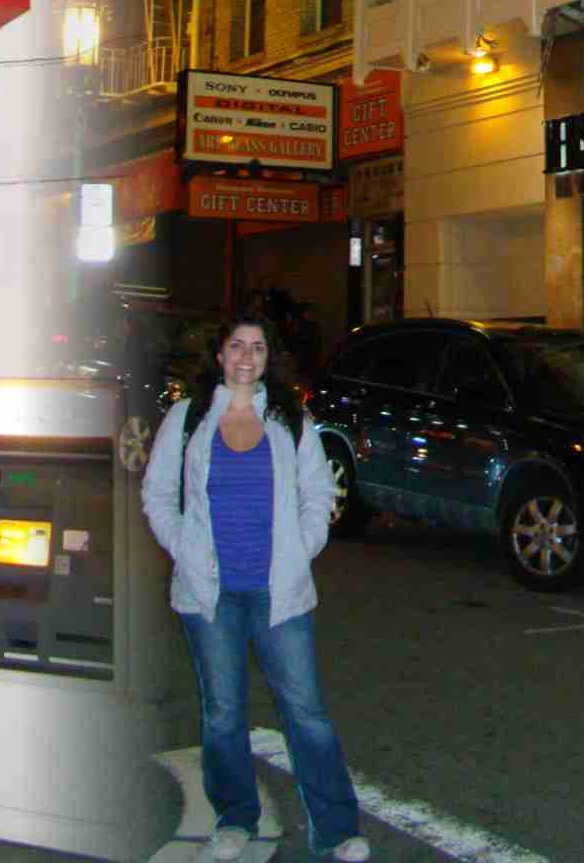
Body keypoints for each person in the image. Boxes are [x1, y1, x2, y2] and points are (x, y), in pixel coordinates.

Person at [140, 305, 368, 862]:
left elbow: (319, 492)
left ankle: (337, 830)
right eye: (237, 346)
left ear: (270, 359)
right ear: (220, 354)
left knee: (307, 713)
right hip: (210, 593)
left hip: (278, 592)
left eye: (258, 347)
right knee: (223, 714)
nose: (247, 356)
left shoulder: (291, 420)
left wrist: (302, 548)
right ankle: (235, 820)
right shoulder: (189, 417)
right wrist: (185, 549)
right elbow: (157, 493)